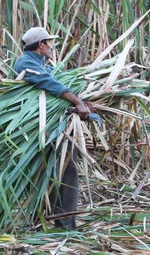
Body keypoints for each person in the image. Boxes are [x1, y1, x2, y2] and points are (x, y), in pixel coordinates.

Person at [14, 27, 92, 230]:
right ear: (41, 45)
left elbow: (54, 87)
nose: (51, 47)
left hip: (59, 128)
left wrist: (84, 105)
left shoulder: (46, 66)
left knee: (66, 171)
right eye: (48, 43)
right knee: (52, 173)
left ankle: (62, 222)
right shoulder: (25, 63)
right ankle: (54, 223)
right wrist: (77, 101)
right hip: (41, 131)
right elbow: (47, 83)